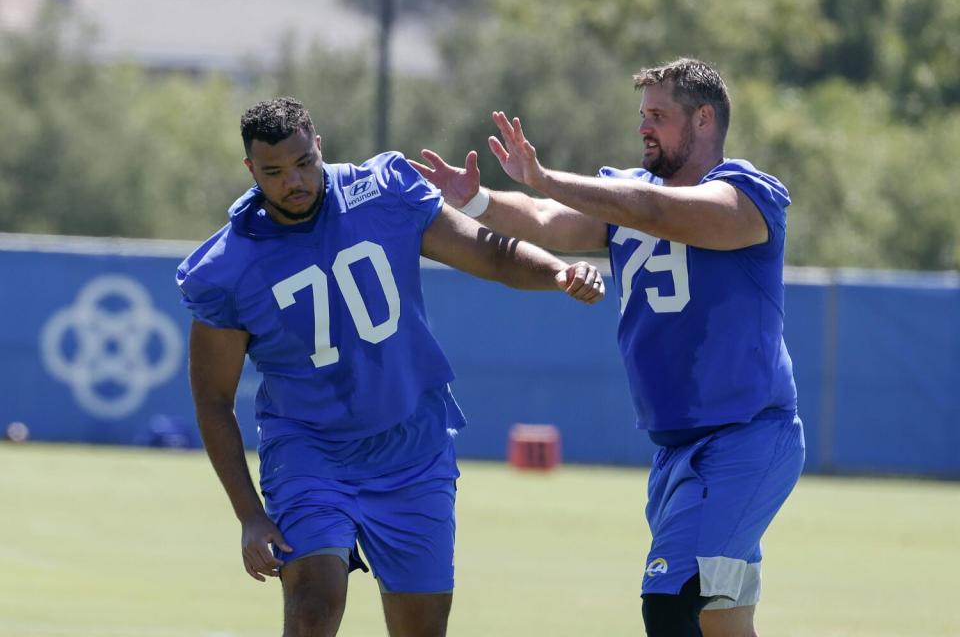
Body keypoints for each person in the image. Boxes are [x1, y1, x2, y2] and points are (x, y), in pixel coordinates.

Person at [176, 96, 605, 637]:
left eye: (304, 162)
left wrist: (558, 273)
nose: (295, 182)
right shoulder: (226, 266)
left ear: (320, 147)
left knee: (421, 628)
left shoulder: (383, 191)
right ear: (250, 171)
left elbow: (487, 251)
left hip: (411, 445)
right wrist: (248, 513)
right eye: (275, 173)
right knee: (313, 605)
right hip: (310, 451)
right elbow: (213, 398)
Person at [410, 58, 805, 637]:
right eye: (642, 115)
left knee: (669, 605)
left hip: (746, 437)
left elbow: (653, 211)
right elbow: (548, 219)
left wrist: (543, 174)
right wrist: (477, 203)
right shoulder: (629, 192)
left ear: (702, 119)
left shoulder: (747, 196)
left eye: (658, 116)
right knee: (722, 622)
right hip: (676, 447)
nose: (644, 128)